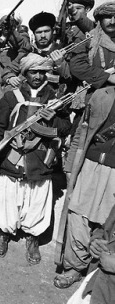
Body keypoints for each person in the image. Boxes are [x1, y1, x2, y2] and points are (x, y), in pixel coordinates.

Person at [0, 53, 71, 263]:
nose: (38, 77)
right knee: (8, 196)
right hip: (14, 157)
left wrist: (54, 120)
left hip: (40, 158)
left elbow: (66, 127)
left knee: (37, 198)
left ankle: (32, 238)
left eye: (42, 72)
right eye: (33, 72)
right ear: (25, 73)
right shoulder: (11, 96)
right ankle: (3, 233)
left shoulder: (55, 99)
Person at [54, 84, 115, 289]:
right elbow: (81, 131)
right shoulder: (101, 95)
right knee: (77, 215)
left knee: (107, 223)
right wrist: (70, 164)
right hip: (88, 165)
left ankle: (96, 271)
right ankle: (75, 267)